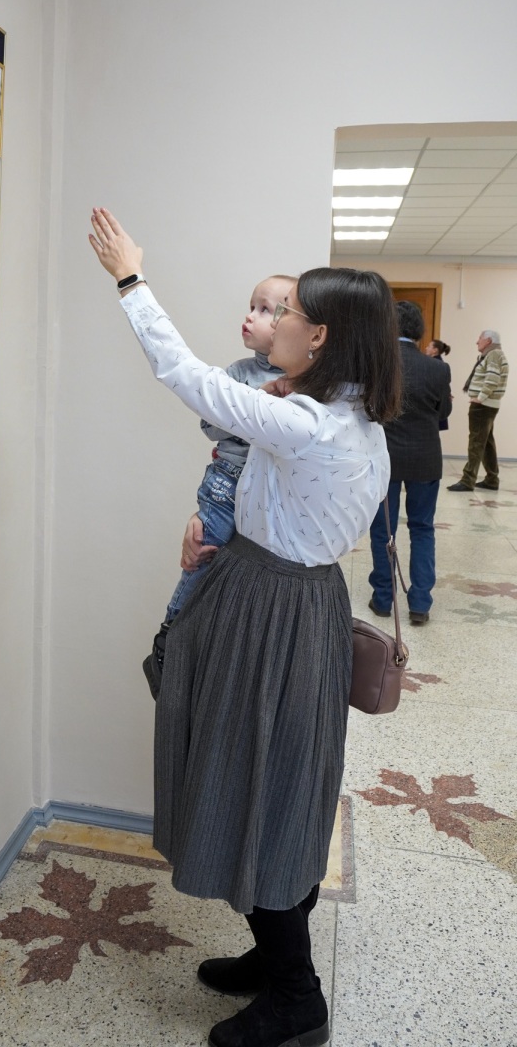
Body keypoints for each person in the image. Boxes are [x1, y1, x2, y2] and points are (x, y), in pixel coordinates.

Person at [88, 207, 401, 1047]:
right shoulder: (345, 417)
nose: (276, 322)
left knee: (261, 786)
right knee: (274, 781)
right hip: (287, 601)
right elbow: (258, 476)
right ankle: (273, 958)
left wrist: (130, 277)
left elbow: (184, 374)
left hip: (271, 613)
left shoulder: (307, 424)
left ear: (320, 336)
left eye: (288, 312)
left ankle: (297, 998)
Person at [146, 275, 294, 694]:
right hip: (226, 485)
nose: (250, 316)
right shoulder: (240, 373)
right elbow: (210, 426)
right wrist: (254, 403)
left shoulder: (311, 383)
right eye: (251, 306)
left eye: (265, 310)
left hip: (270, 497)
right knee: (203, 557)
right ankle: (171, 633)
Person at [368, 302, 451, 626]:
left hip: (385, 459)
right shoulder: (438, 368)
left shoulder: (377, 364)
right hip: (426, 459)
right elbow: (443, 412)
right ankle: (420, 603)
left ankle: (383, 598)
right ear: (419, 330)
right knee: (422, 528)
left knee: (383, 530)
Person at [448, 329, 509, 491]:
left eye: (480, 338)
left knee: (476, 442)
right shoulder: (494, 354)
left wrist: (480, 398)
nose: (477, 341)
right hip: (489, 405)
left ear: (488, 341)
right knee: (487, 442)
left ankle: (467, 481)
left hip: (483, 406)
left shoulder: (493, 354)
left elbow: (492, 378)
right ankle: (492, 479)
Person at [424, 339, 452, 429]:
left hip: (434, 404)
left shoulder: (434, 365)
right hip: (439, 402)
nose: (426, 348)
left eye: (429, 346)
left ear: (435, 350)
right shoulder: (442, 365)